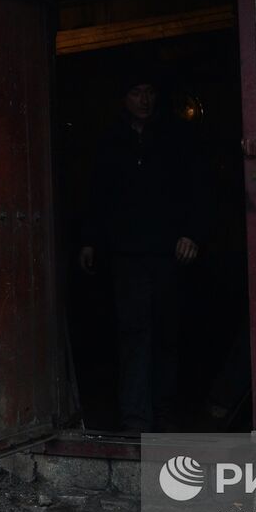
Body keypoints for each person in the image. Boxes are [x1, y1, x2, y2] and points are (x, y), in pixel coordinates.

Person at [79, 71, 205, 433]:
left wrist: (192, 234)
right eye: (136, 92)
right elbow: (97, 194)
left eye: (149, 92)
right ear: (124, 98)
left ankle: (165, 415)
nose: (144, 100)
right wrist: (90, 240)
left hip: (169, 254)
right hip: (126, 255)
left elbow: (198, 188)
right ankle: (135, 420)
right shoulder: (111, 140)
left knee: (168, 334)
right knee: (134, 334)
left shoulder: (177, 136)